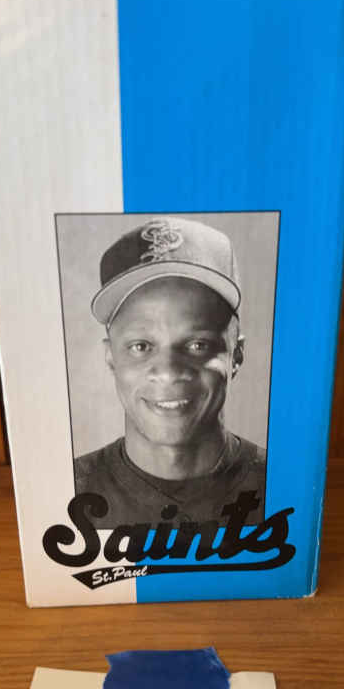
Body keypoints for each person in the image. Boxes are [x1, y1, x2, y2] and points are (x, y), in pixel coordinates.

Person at [74, 216, 266, 527]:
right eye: (141, 346)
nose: (168, 372)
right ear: (111, 358)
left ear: (236, 355)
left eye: (198, 345)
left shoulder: (282, 486)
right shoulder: (69, 489)